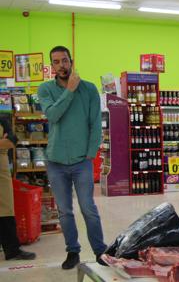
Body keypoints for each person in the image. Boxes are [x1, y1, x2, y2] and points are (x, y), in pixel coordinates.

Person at [37, 46, 107, 269]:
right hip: (55, 160)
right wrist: (69, 90)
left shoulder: (89, 89)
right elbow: (53, 115)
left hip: (81, 161)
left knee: (88, 208)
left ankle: (100, 250)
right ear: (52, 66)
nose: (61, 66)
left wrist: (89, 154)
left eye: (64, 61)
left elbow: (95, 124)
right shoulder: (45, 89)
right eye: (56, 62)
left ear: (71, 61)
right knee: (65, 211)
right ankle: (72, 252)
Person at [0, 118, 36, 261]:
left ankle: (12, 250)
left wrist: (6, 142)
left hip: (1, 172)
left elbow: (11, 141)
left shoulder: (2, 119)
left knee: (6, 208)